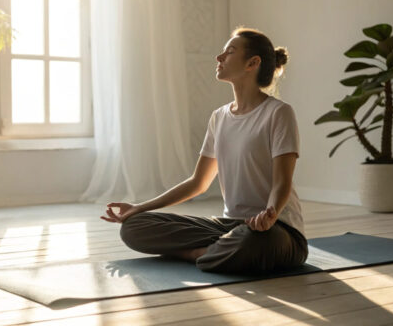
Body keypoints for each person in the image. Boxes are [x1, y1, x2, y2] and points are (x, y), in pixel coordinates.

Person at [100, 27, 308, 274]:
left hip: (276, 230)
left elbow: (281, 182)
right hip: (229, 227)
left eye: (229, 52)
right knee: (134, 227)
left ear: (252, 63)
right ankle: (209, 254)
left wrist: (270, 214)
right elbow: (198, 183)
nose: (219, 58)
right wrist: (139, 208)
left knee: (251, 242)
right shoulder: (219, 117)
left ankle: (200, 253)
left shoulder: (278, 113)